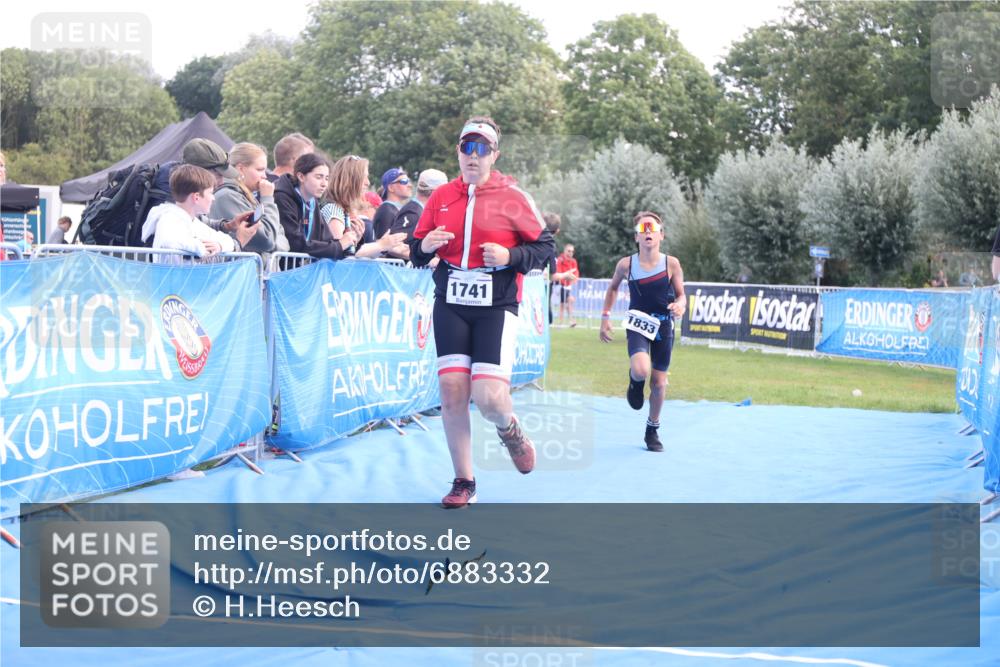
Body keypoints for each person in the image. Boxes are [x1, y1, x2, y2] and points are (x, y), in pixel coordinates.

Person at [408, 116, 555, 508]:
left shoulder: (514, 198)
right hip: (451, 302)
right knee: (453, 392)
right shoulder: (440, 198)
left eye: (482, 149)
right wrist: (425, 247)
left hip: (496, 305)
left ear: (494, 155)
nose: (473, 156)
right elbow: (414, 247)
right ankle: (464, 481)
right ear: (458, 152)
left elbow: (544, 248)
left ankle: (509, 428)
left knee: (489, 397)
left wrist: (511, 255)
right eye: (466, 147)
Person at [599, 211, 685, 452]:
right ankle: (635, 383)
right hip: (638, 323)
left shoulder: (672, 264)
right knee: (641, 369)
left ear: (661, 235)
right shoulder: (626, 264)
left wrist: (681, 305)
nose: (648, 232)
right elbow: (613, 289)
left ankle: (652, 429)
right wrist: (605, 317)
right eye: (642, 229)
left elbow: (681, 294)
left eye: (652, 229)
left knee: (659, 383)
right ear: (636, 237)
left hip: (664, 326)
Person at [141, 165, 247, 266]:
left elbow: (224, 239)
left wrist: (219, 246)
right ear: (196, 197)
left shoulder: (191, 220)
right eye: (210, 193)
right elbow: (169, 241)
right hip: (172, 283)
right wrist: (201, 248)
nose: (213, 198)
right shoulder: (169, 219)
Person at [319, 155, 407, 259]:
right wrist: (381, 245)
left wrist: (383, 245)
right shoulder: (333, 210)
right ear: (350, 179)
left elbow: (351, 253)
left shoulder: (341, 210)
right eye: (363, 177)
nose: (368, 182)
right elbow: (341, 254)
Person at [210, 142, 289, 255]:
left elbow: (280, 234)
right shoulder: (227, 196)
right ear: (241, 169)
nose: (265, 176)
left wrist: (275, 245)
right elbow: (267, 239)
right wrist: (267, 199)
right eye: (260, 170)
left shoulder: (245, 196)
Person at [274, 153, 357, 259]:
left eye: (327, 178)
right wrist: (339, 246)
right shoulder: (282, 198)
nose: (324, 184)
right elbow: (295, 243)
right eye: (319, 177)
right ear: (301, 177)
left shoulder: (312, 202)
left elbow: (327, 240)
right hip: (283, 272)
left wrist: (349, 241)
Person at [388, 168, 448, 261]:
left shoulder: (419, 210)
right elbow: (393, 246)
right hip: (403, 273)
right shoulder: (413, 213)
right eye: (444, 191)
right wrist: (426, 259)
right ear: (434, 192)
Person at [373, 167, 411, 238]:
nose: (409, 185)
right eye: (404, 181)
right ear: (391, 187)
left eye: (409, 181)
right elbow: (383, 244)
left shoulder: (392, 209)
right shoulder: (386, 211)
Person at [554, 244, 579, 326]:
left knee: (566, 303)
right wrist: (566, 277)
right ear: (564, 251)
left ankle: (566, 321)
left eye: (572, 251)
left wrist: (574, 279)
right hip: (561, 285)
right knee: (566, 303)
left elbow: (576, 273)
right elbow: (558, 272)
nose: (570, 253)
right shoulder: (560, 260)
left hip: (568, 286)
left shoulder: (573, 261)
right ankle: (568, 321)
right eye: (569, 251)